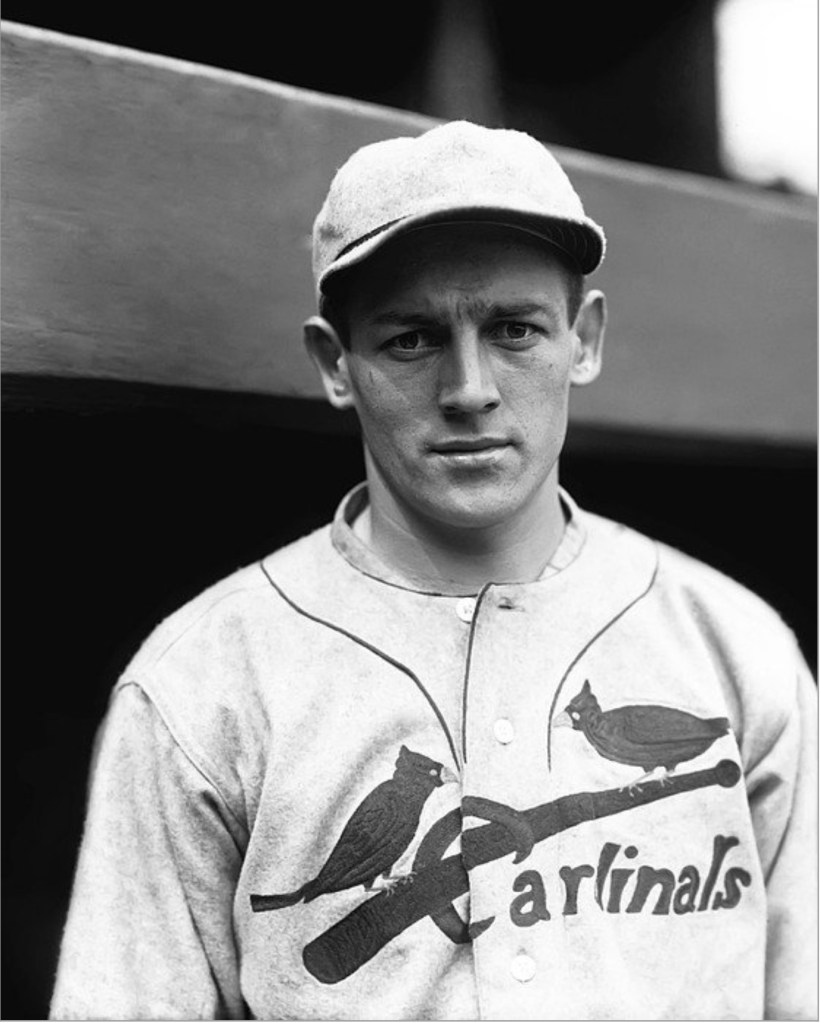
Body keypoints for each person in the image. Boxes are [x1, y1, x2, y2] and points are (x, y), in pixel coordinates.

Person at [50, 121, 816, 1021]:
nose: (469, 389)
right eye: (412, 339)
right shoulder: (205, 681)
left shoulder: (732, 647)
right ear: (336, 364)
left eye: (515, 330)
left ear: (585, 340)